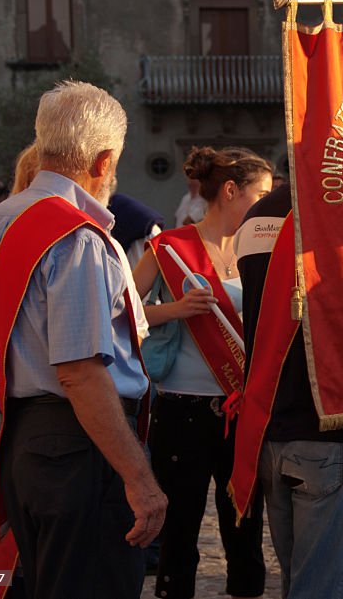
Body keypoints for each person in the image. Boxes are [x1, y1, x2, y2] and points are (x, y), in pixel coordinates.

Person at [0, 81, 167, 599]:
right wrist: (139, 479)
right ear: (103, 162)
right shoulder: (77, 238)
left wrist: (29, 415)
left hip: (25, 443)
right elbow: (80, 372)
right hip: (82, 447)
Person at [132, 146, 271, 599]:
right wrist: (175, 309)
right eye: (261, 194)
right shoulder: (170, 246)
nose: (267, 204)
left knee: (245, 526)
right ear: (230, 191)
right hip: (183, 410)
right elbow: (121, 313)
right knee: (180, 531)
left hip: (241, 408)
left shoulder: (260, 248)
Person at [232, 177, 343, 599]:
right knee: (324, 587)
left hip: (271, 428)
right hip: (328, 427)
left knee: (298, 581)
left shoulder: (255, 217)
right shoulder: (338, 211)